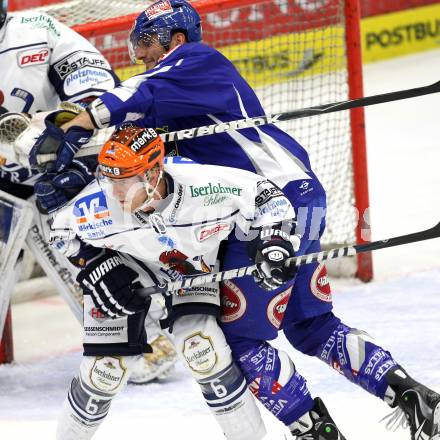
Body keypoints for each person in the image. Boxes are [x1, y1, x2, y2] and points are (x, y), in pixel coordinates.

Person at [32, 1, 440, 438]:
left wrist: (81, 121)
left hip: (267, 205)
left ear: (177, 40)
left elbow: (134, 94)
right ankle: (415, 398)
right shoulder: (169, 91)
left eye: (147, 42)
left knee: (239, 341)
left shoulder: (196, 61)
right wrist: (74, 168)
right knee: (311, 326)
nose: (140, 54)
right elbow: (130, 152)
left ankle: (316, 434)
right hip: (301, 195)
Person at [50, 125, 343, 440]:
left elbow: (266, 195)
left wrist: (274, 241)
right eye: (108, 181)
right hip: (123, 269)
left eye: (122, 182)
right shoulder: (97, 205)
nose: (112, 192)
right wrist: (96, 264)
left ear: (151, 176)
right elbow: (60, 232)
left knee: (203, 348)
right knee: (102, 372)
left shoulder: (203, 186)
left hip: (188, 268)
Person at [0, 1, 176, 384]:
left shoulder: (36, 31)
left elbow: (98, 96)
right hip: (5, 188)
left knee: (95, 265)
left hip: (65, 175)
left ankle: (144, 336)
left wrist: (62, 142)